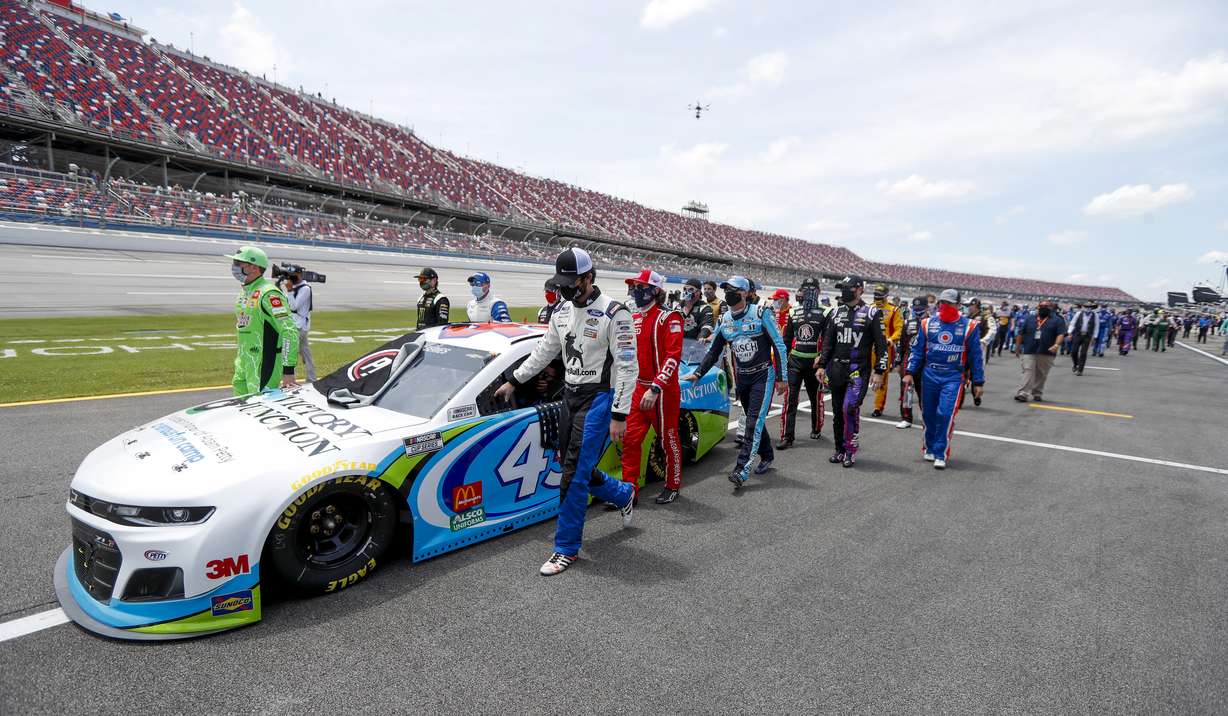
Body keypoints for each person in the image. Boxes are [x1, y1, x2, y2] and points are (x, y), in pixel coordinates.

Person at [493, 248, 636, 576]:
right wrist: (514, 381)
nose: (565, 289)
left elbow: (628, 367)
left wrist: (619, 414)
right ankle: (623, 492)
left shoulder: (616, 313)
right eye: (562, 283)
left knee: (571, 474)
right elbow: (544, 352)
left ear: (589, 278)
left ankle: (566, 548)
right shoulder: (561, 311)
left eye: (571, 283)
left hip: (600, 399)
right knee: (570, 464)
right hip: (569, 397)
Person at [684, 275, 788, 488]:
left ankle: (741, 469)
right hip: (743, 377)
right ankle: (767, 455)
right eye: (726, 289)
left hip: (763, 375)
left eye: (732, 289)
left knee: (752, 422)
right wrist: (698, 373)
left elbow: (779, 346)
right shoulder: (724, 320)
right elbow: (713, 351)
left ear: (744, 293)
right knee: (755, 420)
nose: (728, 292)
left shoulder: (761, 313)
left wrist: (782, 378)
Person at [621, 269, 685, 505]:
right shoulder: (633, 317)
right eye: (634, 287)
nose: (636, 291)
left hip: (663, 391)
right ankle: (629, 491)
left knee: (667, 439)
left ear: (655, 290)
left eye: (640, 286)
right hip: (638, 387)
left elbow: (673, 356)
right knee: (630, 439)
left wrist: (656, 387)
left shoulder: (670, 317)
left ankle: (673, 484)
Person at [904, 289, 985, 469]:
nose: (945, 306)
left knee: (945, 414)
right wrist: (909, 372)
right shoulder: (926, 324)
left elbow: (976, 356)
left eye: (949, 303)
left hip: (953, 377)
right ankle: (930, 446)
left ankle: (941, 452)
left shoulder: (969, 326)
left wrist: (978, 382)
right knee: (928, 413)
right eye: (943, 303)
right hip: (930, 374)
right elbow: (917, 351)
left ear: (958, 305)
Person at [817, 275, 888, 468]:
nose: (844, 291)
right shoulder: (835, 312)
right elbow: (828, 343)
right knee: (838, 412)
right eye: (843, 288)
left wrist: (879, 371)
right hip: (837, 369)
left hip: (858, 370)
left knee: (849, 408)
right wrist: (822, 365)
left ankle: (850, 450)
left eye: (848, 288)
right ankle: (839, 450)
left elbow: (882, 346)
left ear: (859, 290)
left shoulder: (872, 313)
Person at [225, 246, 299, 395]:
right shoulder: (244, 292)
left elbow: (289, 331)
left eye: (238, 263)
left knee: (260, 412)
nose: (234, 267)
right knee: (240, 411)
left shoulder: (269, 294)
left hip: (263, 365)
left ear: (254, 268)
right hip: (243, 363)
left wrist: (288, 370)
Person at [776, 277, 829, 449]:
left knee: (816, 399)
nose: (808, 293)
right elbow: (787, 339)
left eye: (812, 289)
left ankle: (816, 428)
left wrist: (822, 360)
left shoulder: (826, 312)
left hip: (814, 363)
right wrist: (782, 362)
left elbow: (828, 340)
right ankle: (787, 437)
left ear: (818, 292)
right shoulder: (793, 312)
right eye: (805, 290)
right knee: (791, 400)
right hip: (795, 361)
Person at [1014, 299, 1066, 402]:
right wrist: (1017, 347)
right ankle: (1023, 393)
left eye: (1047, 306)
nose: (1044, 308)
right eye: (1041, 306)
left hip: (1047, 351)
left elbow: (1061, 334)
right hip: (1029, 350)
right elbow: (1020, 333)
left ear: (1051, 308)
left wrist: (1056, 345)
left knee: (1041, 373)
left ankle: (1037, 392)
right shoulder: (1029, 319)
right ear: (1038, 307)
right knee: (1028, 371)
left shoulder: (1057, 320)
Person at [869, 283, 902, 418]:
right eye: (875, 295)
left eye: (880, 296)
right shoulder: (869, 308)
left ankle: (878, 407)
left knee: (882, 378)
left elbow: (899, 329)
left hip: (884, 349)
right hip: (868, 348)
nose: (877, 298)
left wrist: (890, 340)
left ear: (886, 296)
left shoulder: (894, 310)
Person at [894, 297, 927, 429]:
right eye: (916, 309)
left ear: (927, 308)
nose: (918, 311)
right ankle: (906, 418)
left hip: (926, 361)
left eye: (921, 309)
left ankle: (926, 417)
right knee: (906, 390)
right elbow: (901, 343)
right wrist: (898, 361)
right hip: (908, 359)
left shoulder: (933, 323)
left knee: (925, 391)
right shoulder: (907, 322)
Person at [283, 267, 316, 382]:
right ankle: (312, 379)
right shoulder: (295, 287)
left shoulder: (305, 289)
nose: (290, 277)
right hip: (295, 324)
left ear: (299, 274)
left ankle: (290, 380)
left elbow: (293, 306)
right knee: (305, 353)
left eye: (293, 274)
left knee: (290, 352)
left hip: (299, 326)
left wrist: (290, 291)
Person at [1067, 302, 1098, 376]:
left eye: (1090, 307)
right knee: (1074, 352)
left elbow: (1096, 327)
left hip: (1087, 335)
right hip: (1078, 334)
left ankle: (1080, 370)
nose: (1088, 308)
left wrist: (1094, 337)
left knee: (1083, 353)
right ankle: (1076, 364)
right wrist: (1070, 333)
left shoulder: (1095, 315)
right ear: (1084, 307)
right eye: (1087, 306)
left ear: (1092, 308)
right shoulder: (1078, 313)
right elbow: (1072, 323)